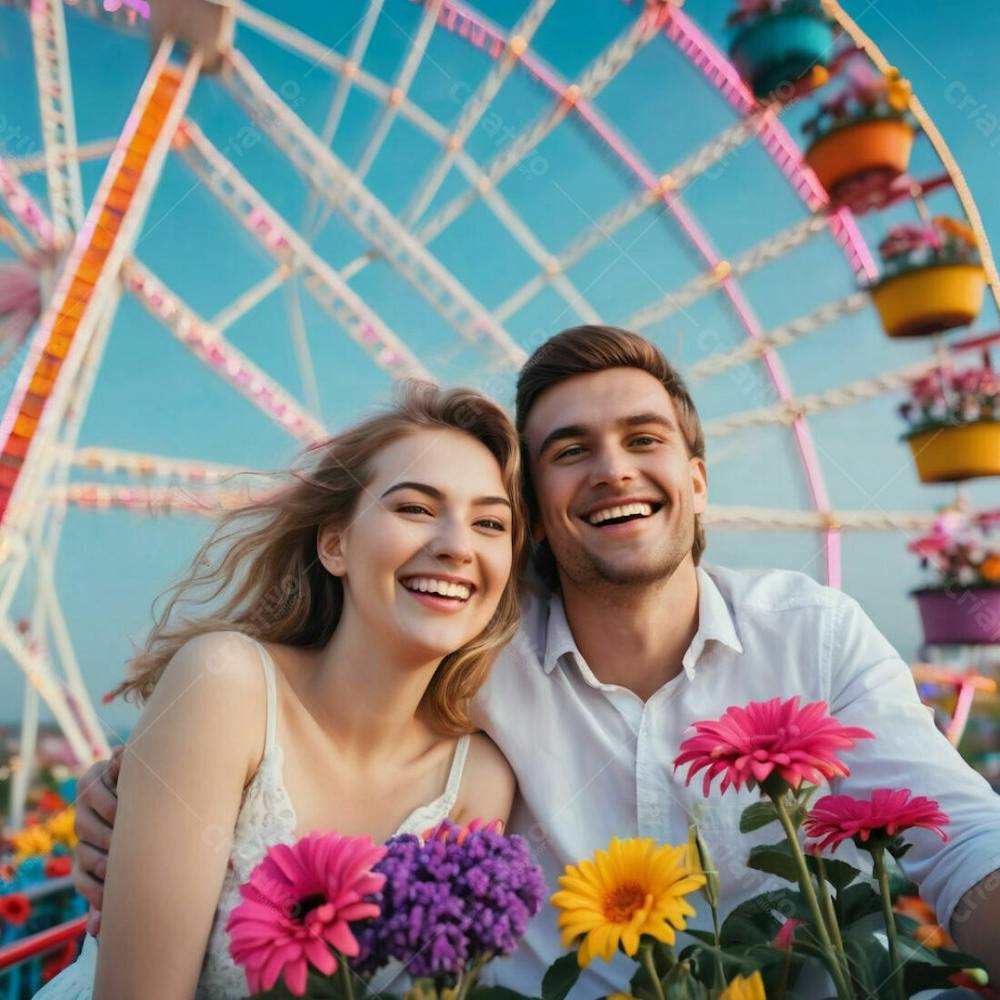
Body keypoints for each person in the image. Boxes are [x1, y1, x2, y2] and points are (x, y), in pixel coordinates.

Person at [74, 327, 1000, 995]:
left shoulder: (811, 636)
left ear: (698, 480)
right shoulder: (471, 665)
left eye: (644, 440)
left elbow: (963, 840)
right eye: (569, 452)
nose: (613, 470)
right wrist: (143, 785)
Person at [43, 382, 525, 999]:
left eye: (490, 523)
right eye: (414, 509)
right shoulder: (227, 686)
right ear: (335, 544)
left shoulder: (478, 779)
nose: (457, 545)